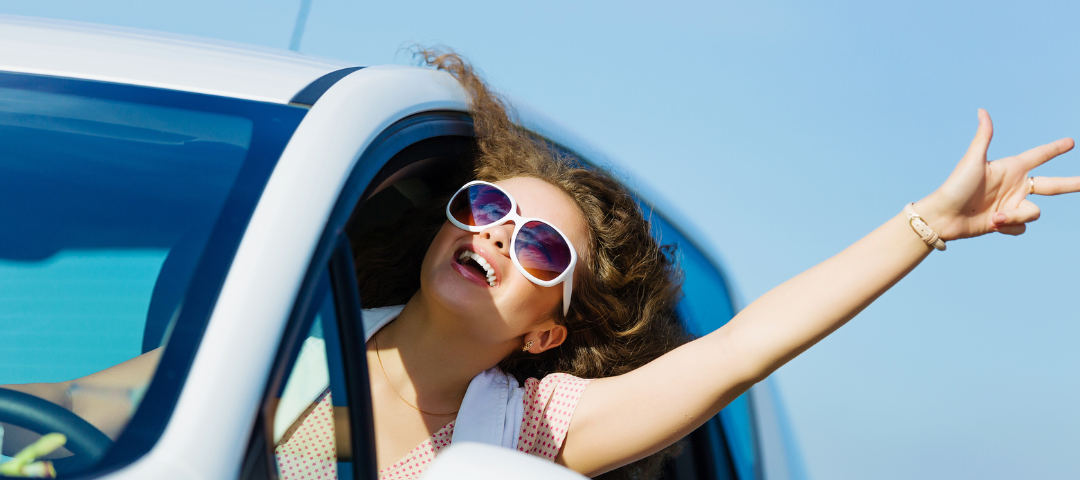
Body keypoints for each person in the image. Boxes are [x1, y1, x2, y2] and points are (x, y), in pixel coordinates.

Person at [5, 49, 1078, 480]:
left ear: (545, 330)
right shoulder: (263, 349)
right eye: (484, 209)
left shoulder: (528, 429)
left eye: (538, 246)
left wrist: (927, 229)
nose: (494, 237)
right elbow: (52, 417)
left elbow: (741, 352)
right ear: (442, 231)